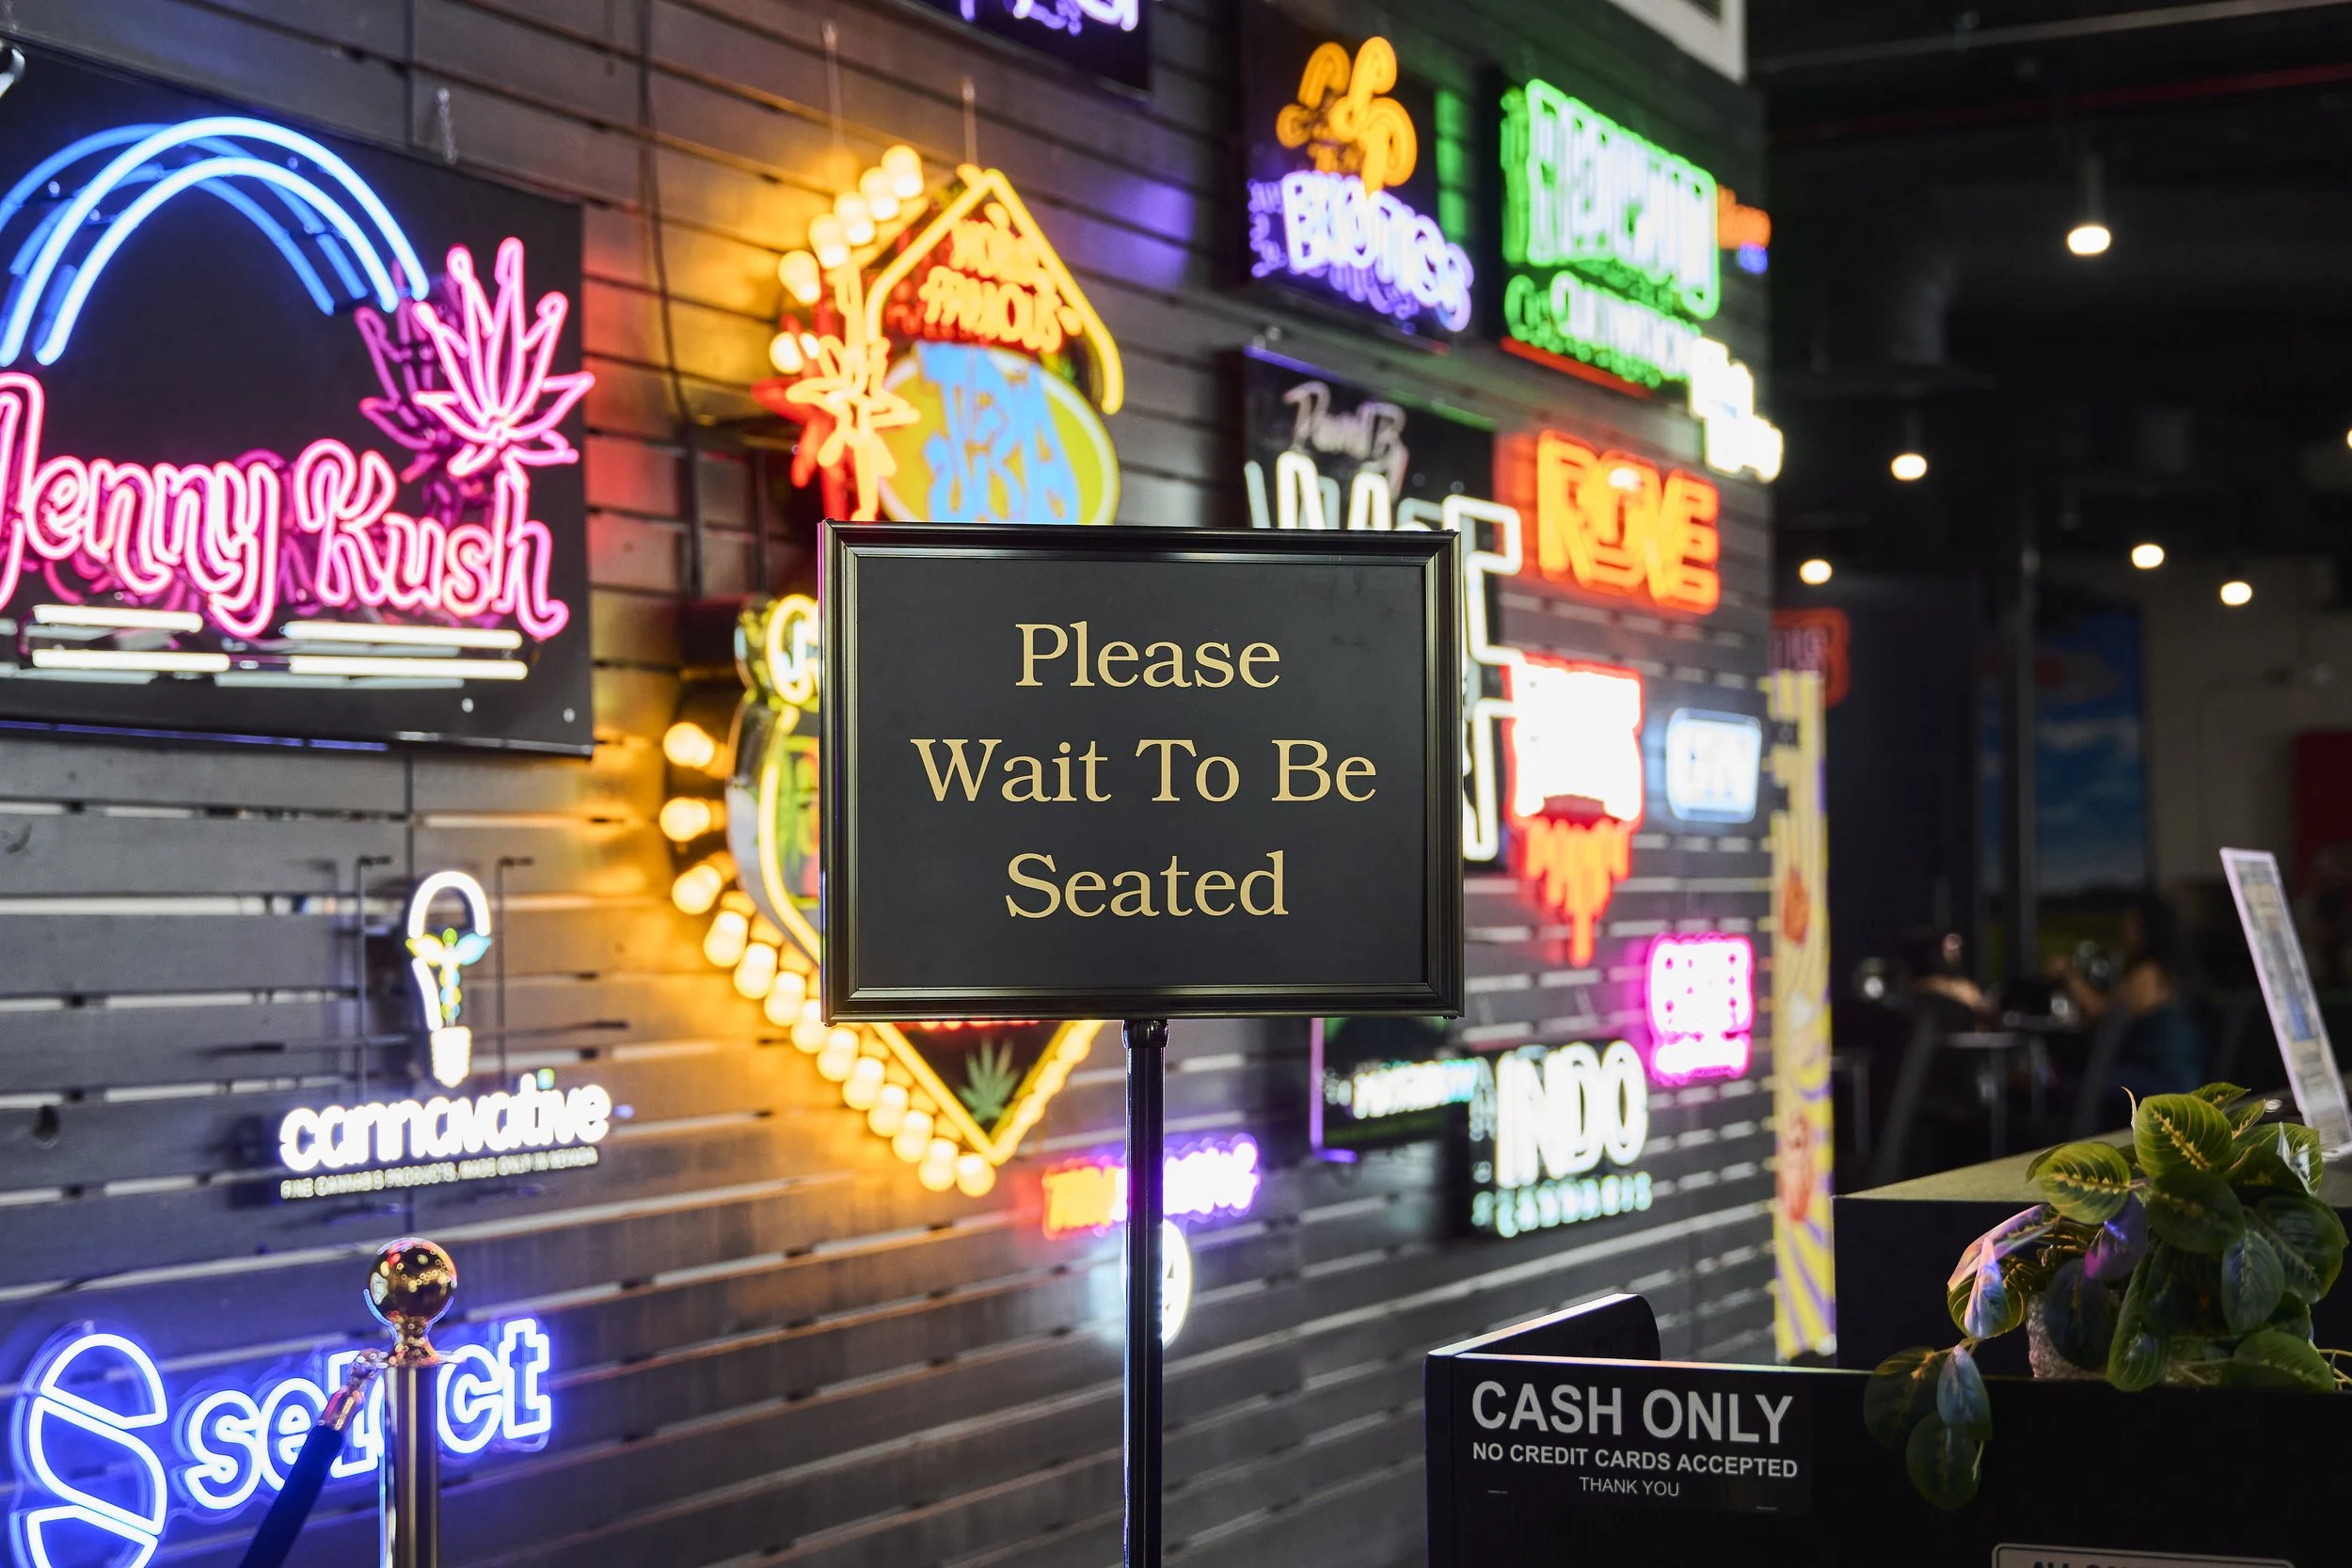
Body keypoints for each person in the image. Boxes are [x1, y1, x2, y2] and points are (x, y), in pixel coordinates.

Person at [2048, 893, 2206, 1110]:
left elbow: (2103, 1012)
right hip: (2164, 1074)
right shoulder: (2163, 972)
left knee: (2072, 1088)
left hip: (2163, 1081)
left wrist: (2068, 974)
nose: (2123, 931)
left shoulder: (2148, 974)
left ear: (2148, 930)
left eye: (2130, 925)